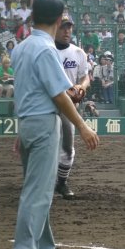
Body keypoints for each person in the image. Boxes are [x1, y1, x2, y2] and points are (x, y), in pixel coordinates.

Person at [10, 0, 98, 249]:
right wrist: (82, 126)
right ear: (59, 19)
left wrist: (20, 129)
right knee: (38, 193)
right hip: (44, 123)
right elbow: (59, 96)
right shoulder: (46, 50)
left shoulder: (22, 47)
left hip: (28, 122)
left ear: (33, 17)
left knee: (41, 191)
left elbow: (26, 91)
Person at [54, 13, 90, 199]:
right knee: (44, 147)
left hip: (68, 105)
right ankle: (42, 181)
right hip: (47, 105)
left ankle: (61, 183)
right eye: (63, 26)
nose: (67, 30)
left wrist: (81, 87)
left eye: (69, 27)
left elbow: (85, 76)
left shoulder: (78, 53)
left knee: (67, 148)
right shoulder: (47, 50)